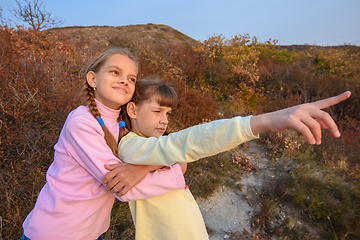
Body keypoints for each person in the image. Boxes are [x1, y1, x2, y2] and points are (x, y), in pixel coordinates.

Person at [103, 76, 351, 239]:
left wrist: (148, 168)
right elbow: (186, 144)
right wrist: (264, 121)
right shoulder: (130, 146)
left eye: (167, 112)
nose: (164, 119)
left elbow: (179, 159)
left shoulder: (151, 147)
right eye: (157, 111)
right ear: (132, 110)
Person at [21, 48, 187, 240]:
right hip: (55, 233)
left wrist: (145, 168)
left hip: (93, 233)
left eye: (132, 78)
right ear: (92, 79)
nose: (124, 80)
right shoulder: (82, 122)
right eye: (115, 72)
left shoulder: (123, 124)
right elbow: (122, 186)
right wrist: (176, 172)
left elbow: (155, 153)